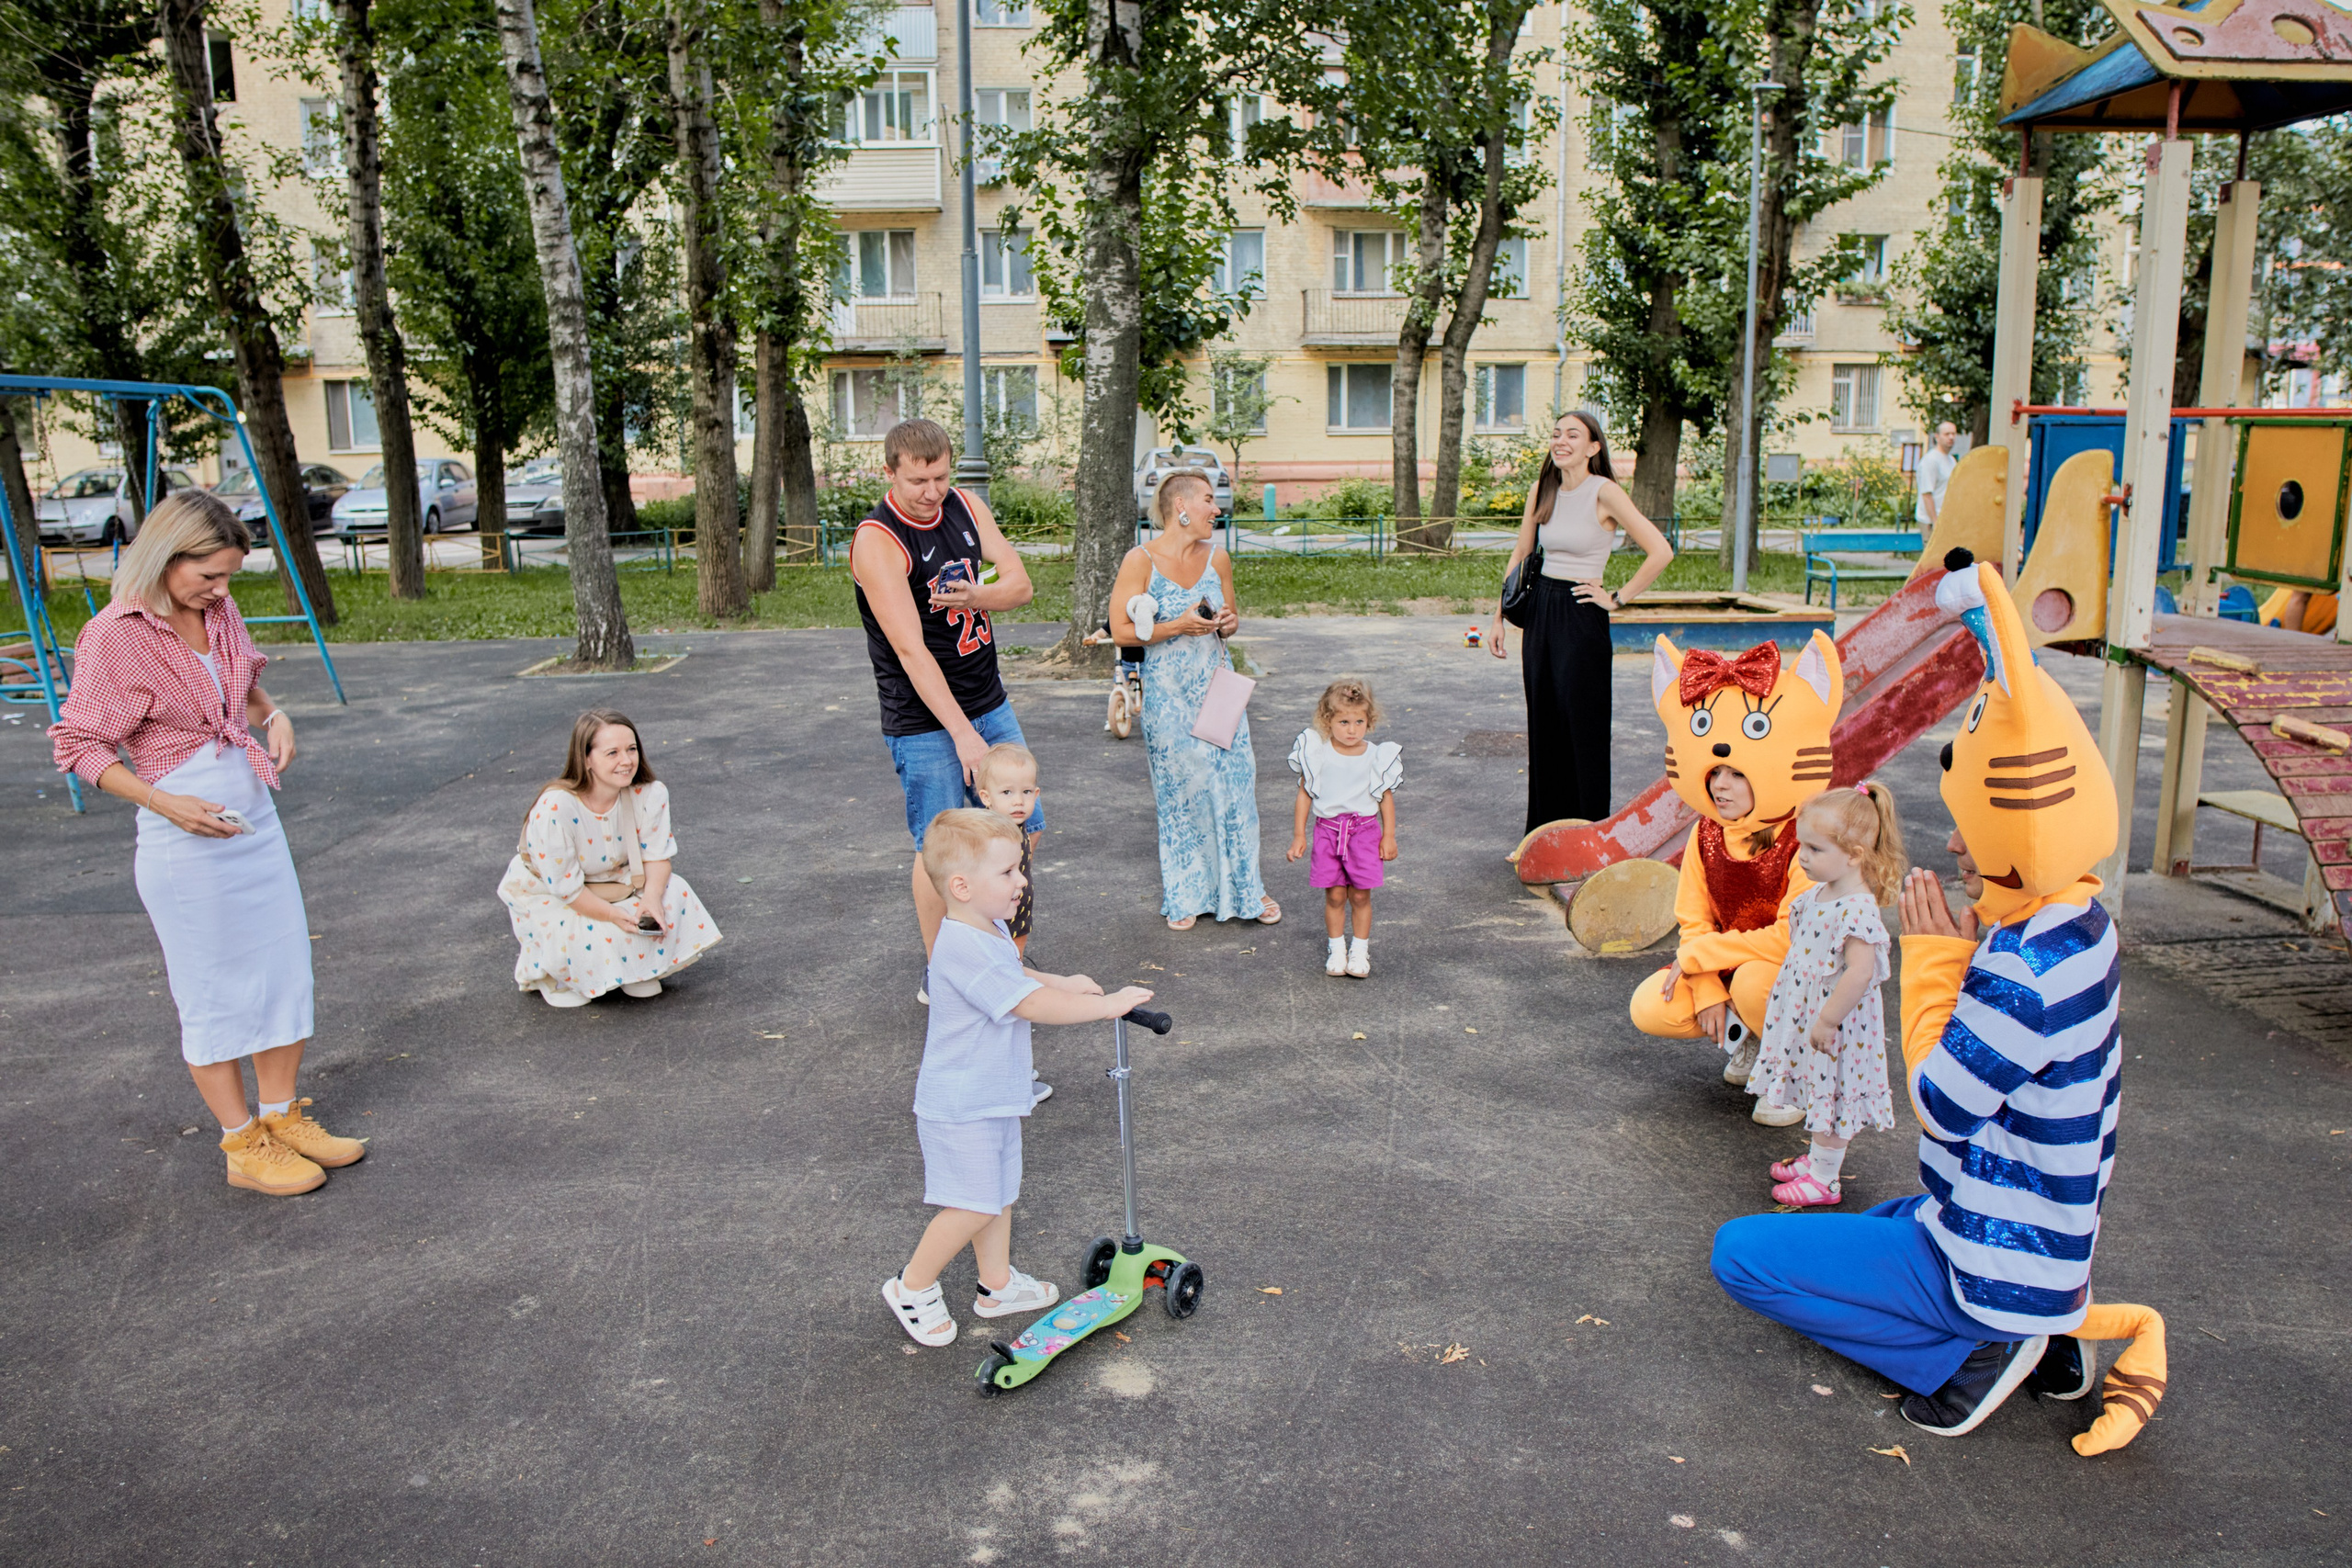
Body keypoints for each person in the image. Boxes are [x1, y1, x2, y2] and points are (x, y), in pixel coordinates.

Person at [1711, 552, 2125, 1439]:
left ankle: (1974, 1354)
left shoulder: (2021, 969)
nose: (1962, 850)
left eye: (1977, 831)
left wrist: (1936, 962)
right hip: (2045, 1240)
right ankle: (2045, 1335)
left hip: (1986, 1255)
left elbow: (1941, 1102)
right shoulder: (2083, 925)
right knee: (1887, 1216)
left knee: (1742, 1256)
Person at [49, 491, 364, 1197]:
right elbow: (78, 746)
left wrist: (274, 714)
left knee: (284, 969)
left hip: (253, 823)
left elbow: (244, 684)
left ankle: (282, 1116)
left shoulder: (217, 612)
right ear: (166, 556)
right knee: (215, 992)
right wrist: (166, 803)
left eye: (227, 578)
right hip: (181, 837)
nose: (221, 591)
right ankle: (240, 1143)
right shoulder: (114, 635)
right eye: (209, 576)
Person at [882, 809, 1155, 1348]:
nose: (1022, 881)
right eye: (1008, 873)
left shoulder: (987, 928)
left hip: (991, 1096)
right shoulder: (959, 945)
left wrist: (1067, 982)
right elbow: (1027, 1002)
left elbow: (1020, 976)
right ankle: (911, 1286)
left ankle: (997, 1285)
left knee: (999, 1193)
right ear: (961, 886)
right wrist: (1104, 1008)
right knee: (973, 1202)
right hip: (961, 1105)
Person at [1632, 632, 1847, 1130]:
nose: (1720, 785)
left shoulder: (1806, 838)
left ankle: (1796, 1074)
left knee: (1753, 983)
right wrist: (1704, 984)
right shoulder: (1707, 833)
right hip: (1732, 965)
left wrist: (1699, 959)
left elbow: (1793, 937)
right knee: (1651, 1006)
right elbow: (1693, 919)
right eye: (1715, 772)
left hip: (1803, 975)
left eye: (1736, 774)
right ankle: (1752, 1036)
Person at [851, 418, 1041, 971]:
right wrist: (963, 735)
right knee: (939, 847)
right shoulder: (879, 540)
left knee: (1025, 825)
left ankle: (997, 953)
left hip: (989, 697)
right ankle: (946, 972)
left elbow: (1021, 586)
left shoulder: (963, 504)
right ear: (889, 474)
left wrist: (977, 595)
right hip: (924, 718)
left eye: (939, 476)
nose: (931, 491)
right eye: (918, 481)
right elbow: (911, 653)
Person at [1482, 411, 1674, 832]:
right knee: (1544, 724)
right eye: (1556, 433)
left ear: (1593, 448)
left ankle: (1589, 833)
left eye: (1574, 434)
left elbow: (1660, 550)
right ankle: (1544, 834)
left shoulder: (1604, 493)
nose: (1561, 441)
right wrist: (1498, 618)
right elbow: (1521, 555)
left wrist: (1617, 598)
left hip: (1581, 611)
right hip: (1541, 611)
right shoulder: (1543, 489)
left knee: (1582, 725)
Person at [1108, 468, 1281, 931]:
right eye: (1208, 499)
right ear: (1181, 507)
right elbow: (1122, 632)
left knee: (1236, 787)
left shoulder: (1217, 557)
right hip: (1167, 697)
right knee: (1181, 795)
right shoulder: (1138, 561)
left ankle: (1249, 889)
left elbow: (1232, 616)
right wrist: (1177, 626)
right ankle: (1186, 892)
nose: (1216, 509)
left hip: (1217, 690)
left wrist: (1225, 622)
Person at [1747, 783, 1904, 1207]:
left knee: (1832, 1096)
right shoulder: (1819, 894)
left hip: (1838, 1026)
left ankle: (1825, 1180)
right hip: (1814, 1015)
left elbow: (1860, 972)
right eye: (1803, 846)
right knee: (1818, 1091)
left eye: (1815, 849)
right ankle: (1819, 1160)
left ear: (1854, 855)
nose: (1804, 857)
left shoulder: (1856, 909)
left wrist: (1828, 1019)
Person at [500, 708, 721, 1007]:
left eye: (632, 749)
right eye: (612, 753)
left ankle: (635, 971)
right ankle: (559, 978)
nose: (626, 761)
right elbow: (566, 889)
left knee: (674, 890)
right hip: (555, 894)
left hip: (616, 882)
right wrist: (614, 915)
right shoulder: (556, 808)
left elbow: (657, 858)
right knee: (581, 923)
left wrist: (651, 899)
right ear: (586, 759)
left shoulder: (649, 793)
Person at [1284, 677, 1401, 977]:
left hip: (1364, 834)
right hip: (1328, 833)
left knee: (1361, 895)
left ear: (1369, 720)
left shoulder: (1376, 756)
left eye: (1359, 721)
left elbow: (1384, 797)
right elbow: (1305, 794)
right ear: (1328, 721)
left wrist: (1389, 835)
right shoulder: (1319, 752)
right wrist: (1300, 834)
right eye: (1344, 722)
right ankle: (1336, 948)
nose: (1352, 729)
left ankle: (1359, 950)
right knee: (1335, 895)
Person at [1915, 423, 1959, 529]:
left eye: (1953, 434)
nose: (1951, 437)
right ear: (1937, 437)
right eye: (1947, 434)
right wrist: (1935, 521)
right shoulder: (1931, 460)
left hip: (1946, 520)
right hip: (1931, 522)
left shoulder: (1951, 460)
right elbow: (1927, 494)